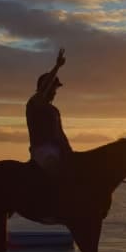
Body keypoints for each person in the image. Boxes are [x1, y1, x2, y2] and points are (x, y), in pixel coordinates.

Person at [26, 48, 73, 177]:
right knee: (53, 168)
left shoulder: (54, 110)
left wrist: (70, 152)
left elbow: (61, 134)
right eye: (53, 87)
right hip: (42, 150)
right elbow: (43, 89)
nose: (55, 91)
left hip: (58, 150)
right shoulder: (34, 103)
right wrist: (57, 66)